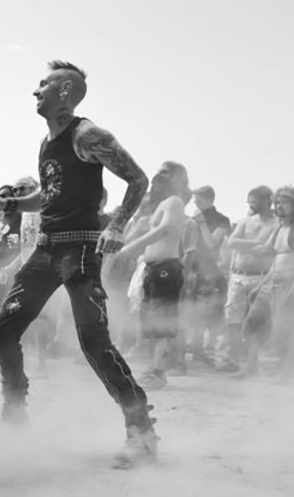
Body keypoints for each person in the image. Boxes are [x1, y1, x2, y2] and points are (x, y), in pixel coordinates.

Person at [0, 60, 157, 469]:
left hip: (78, 252)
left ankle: (141, 431)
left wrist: (119, 226)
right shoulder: (47, 142)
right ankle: (15, 416)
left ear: (65, 91)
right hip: (45, 251)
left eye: (43, 84)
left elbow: (138, 179)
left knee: (94, 342)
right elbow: (48, 195)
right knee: (3, 332)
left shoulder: (87, 134)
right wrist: (4, 203)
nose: (35, 90)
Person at [115, 162, 191, 390]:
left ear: (178, 179)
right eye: (159, 172)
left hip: (166, 268)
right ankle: (156, 368)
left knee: (163, 322)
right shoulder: (160, 205)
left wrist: (132, 248)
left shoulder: (174, 202)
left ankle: (159, 372)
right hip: (153, 269)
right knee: (153, 322)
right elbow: (138, 234)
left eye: (166, 173)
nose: (159, 176)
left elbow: (165, 228)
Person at [234, 187, 294, 378]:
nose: (279, 206)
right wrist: (260, 286)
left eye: (284, 203)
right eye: (277, 202)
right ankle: (250, 367)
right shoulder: (280, 228)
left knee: (283, 330)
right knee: (253, 323)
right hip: (271, 283)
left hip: (287, 285)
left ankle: (286, 371)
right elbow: (269, 254)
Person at [217, 186, 277, 371]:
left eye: (255, 200)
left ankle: (252, 362)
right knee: (232, 319)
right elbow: (233, 242)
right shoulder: (245, 222)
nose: (251, 204)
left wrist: (253, 246)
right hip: (238, 276)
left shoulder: (276, 224)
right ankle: (232, 358)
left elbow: (270, 250)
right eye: (249, 201)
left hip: (260, 277)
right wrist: (257, 244)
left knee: (255, 321)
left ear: (268, 200)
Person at [184, 185, 231, 364]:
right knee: (187, 311)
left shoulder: (222, 220)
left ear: (211, 199)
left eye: (199, 200)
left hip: (207, 271)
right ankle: (192, 350)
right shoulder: (191, 220)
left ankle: (199, 350)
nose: (196, 204)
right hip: (190, 269)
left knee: (202, 313)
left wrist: (202, 222)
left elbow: (212, 244)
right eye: (195, 200)